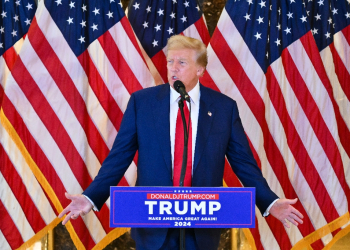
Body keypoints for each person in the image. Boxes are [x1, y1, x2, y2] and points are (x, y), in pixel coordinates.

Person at [59, 35, 303, 250]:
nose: (173, 68)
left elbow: (244, 164)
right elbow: (118, 158)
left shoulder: (223, 108)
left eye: (182, 62)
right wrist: (90, 197)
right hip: (153, 224)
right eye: (170, 61)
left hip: (201, 226)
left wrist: (270, 202)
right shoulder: (142, 103)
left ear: (200, 70)